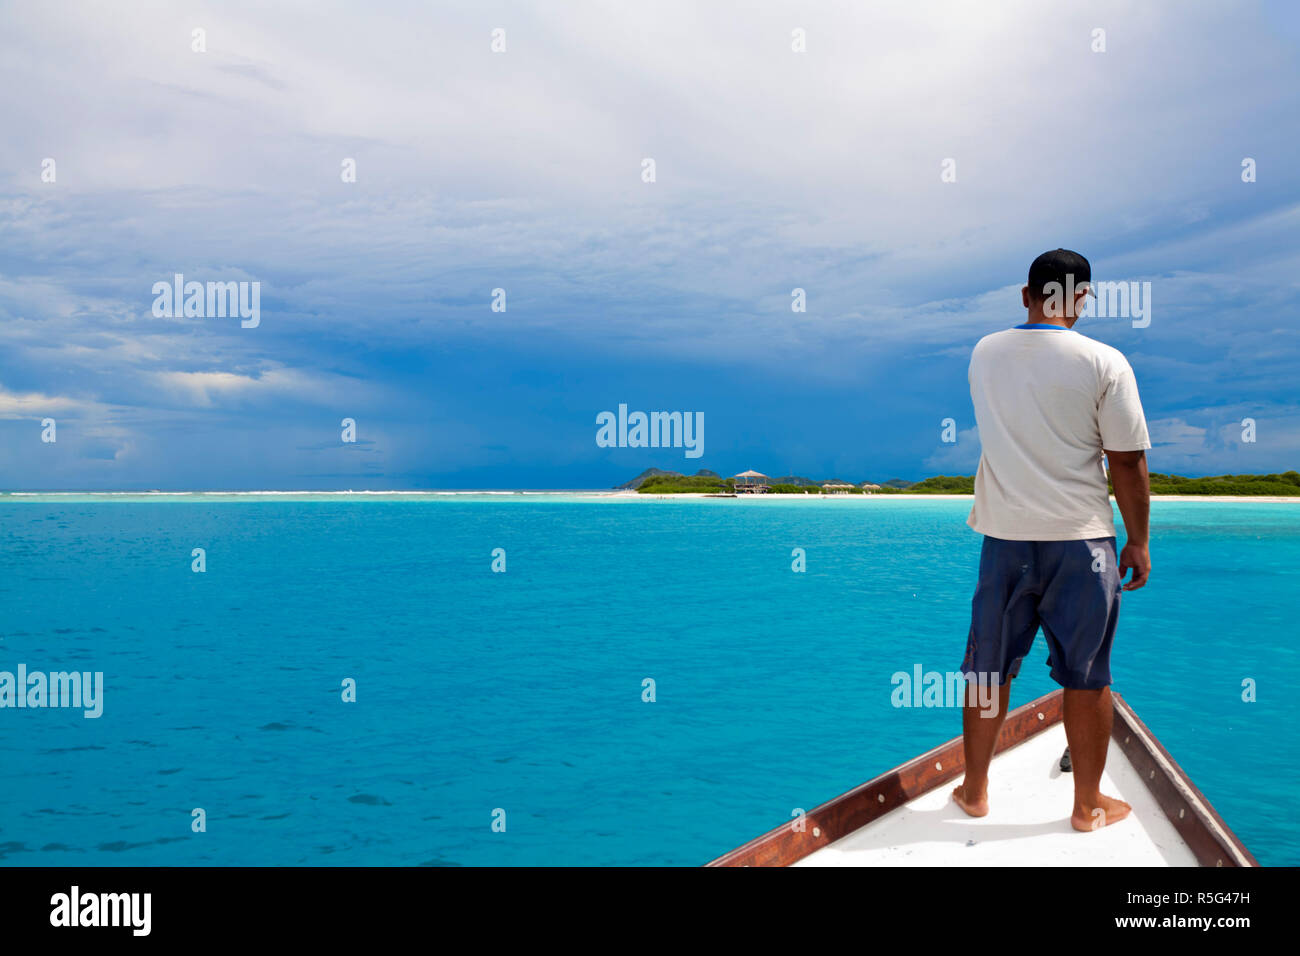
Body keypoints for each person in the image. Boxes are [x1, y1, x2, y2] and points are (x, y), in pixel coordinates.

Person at [952, 248, 1152, 832]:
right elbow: (1128, 462)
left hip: (1005, 540)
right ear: (1081, 299)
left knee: (989, 671)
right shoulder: (1105, 362)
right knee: (1087, 676)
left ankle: (974, 789)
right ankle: (1087, 806)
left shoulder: (985, 352)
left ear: (1026, 294)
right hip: (1082, 542)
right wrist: (1137, 542)